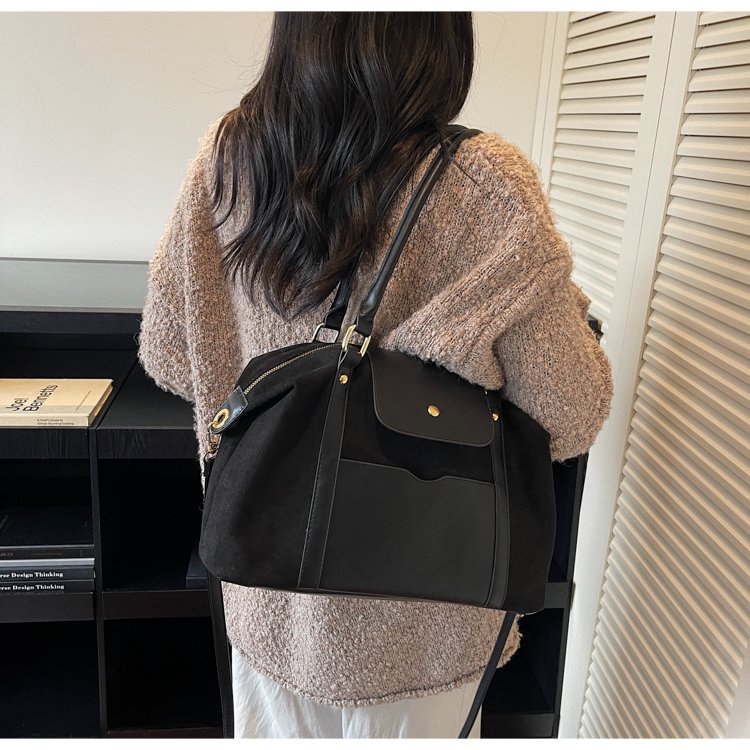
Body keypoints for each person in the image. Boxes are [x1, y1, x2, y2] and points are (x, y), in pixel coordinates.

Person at [138, 11, 613, 739]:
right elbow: (571, 410)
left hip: (269, 587)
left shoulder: (228, 157)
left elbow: (170, 351)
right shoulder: (483, 184)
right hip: (426, 617)